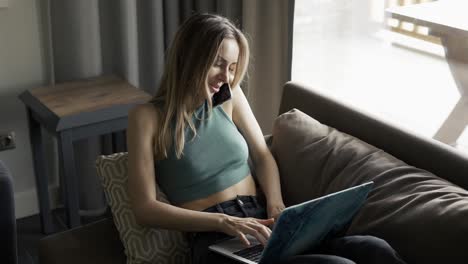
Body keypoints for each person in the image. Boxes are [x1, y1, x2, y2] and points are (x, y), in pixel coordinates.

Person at [127, 13, 406, 264]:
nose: (226, 77)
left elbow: (261, 155)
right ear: (189, 58)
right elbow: (145, 209)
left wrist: (276, 204)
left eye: (233, 67)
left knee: (373, 248)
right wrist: (225, 222)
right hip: (214, 239)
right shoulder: (147, 117)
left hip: (263, 223)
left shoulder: (230, 97)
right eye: (217, 64)